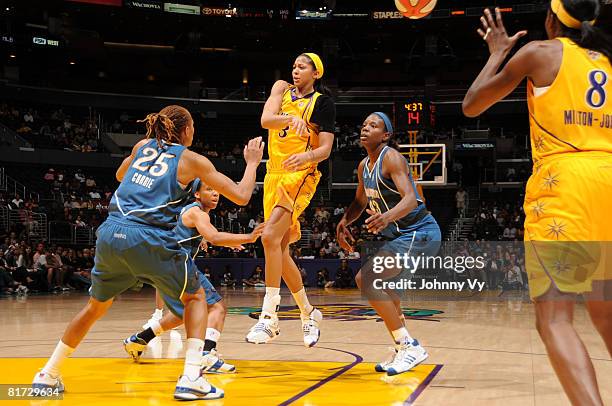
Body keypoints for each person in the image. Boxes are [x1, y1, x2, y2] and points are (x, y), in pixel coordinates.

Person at [33, 105, 264, 401]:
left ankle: (48, 374)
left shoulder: (142, 145)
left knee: (95, 308)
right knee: (196, 298)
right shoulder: (192, 160)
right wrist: (252, 163)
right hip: (147, 236)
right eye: (193, 126)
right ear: (186, 130)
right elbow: (243, 195)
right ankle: (192, 377)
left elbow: (120, 175)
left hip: (110, 233)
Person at [462, 2, 611, 404]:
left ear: (552, 18)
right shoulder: (609, 63)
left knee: (555, 320)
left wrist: (496, 53)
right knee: (605, 313)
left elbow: (472, 104)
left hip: (566, 182)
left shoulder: (540, 53)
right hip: (609, 178)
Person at [336, 112, 441, 376]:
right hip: (402, 236)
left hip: (420, 232)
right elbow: (360, 202)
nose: (365, 127)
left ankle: (409, 346)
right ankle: (403, 347)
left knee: (367, 279)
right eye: (364, 124)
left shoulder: (392, 157)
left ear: (385, 135)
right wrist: (344, 222)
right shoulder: (363, 166)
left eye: (373, 125)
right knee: (385, 288)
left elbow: (411, 200)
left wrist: (386, 217)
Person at [124, 180, 264, 374]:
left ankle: (139, 339)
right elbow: (215, 236)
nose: (215, 193)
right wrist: (249, 237)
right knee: (217, 307)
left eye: (217, 189)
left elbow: (186, 231)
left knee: (186, 312)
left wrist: (203, 238)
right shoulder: (197, 213)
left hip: (161, 264)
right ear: (197, 194)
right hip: (176, 263)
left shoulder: (189, 211)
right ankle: (207, 354)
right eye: (209, 189)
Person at [246, 52, 336, 347]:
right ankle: (308, 314)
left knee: (269, 237)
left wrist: (307, 155)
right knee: (280, 250)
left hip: (300, 174)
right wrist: (291, 119)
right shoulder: (281, 89)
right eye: (294, 65)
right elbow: (266, 119)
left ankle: (269, 317)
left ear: (316, 73)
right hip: (273, 173)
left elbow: (325, 150)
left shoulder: (322, 103)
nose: (295, 71)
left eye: (302, 67)